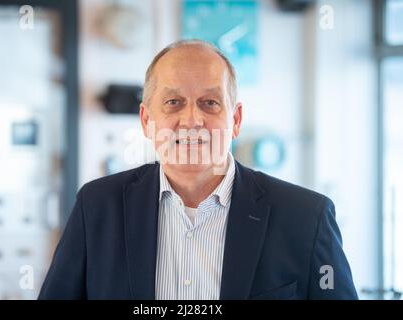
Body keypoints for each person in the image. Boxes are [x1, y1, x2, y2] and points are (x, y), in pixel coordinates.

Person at [39, 39, 357, 300]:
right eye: (174, 102)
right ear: (147, 120)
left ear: (235, 120)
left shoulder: (306, 217)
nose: (192, 120)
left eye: (209, 103)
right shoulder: (96, 206)